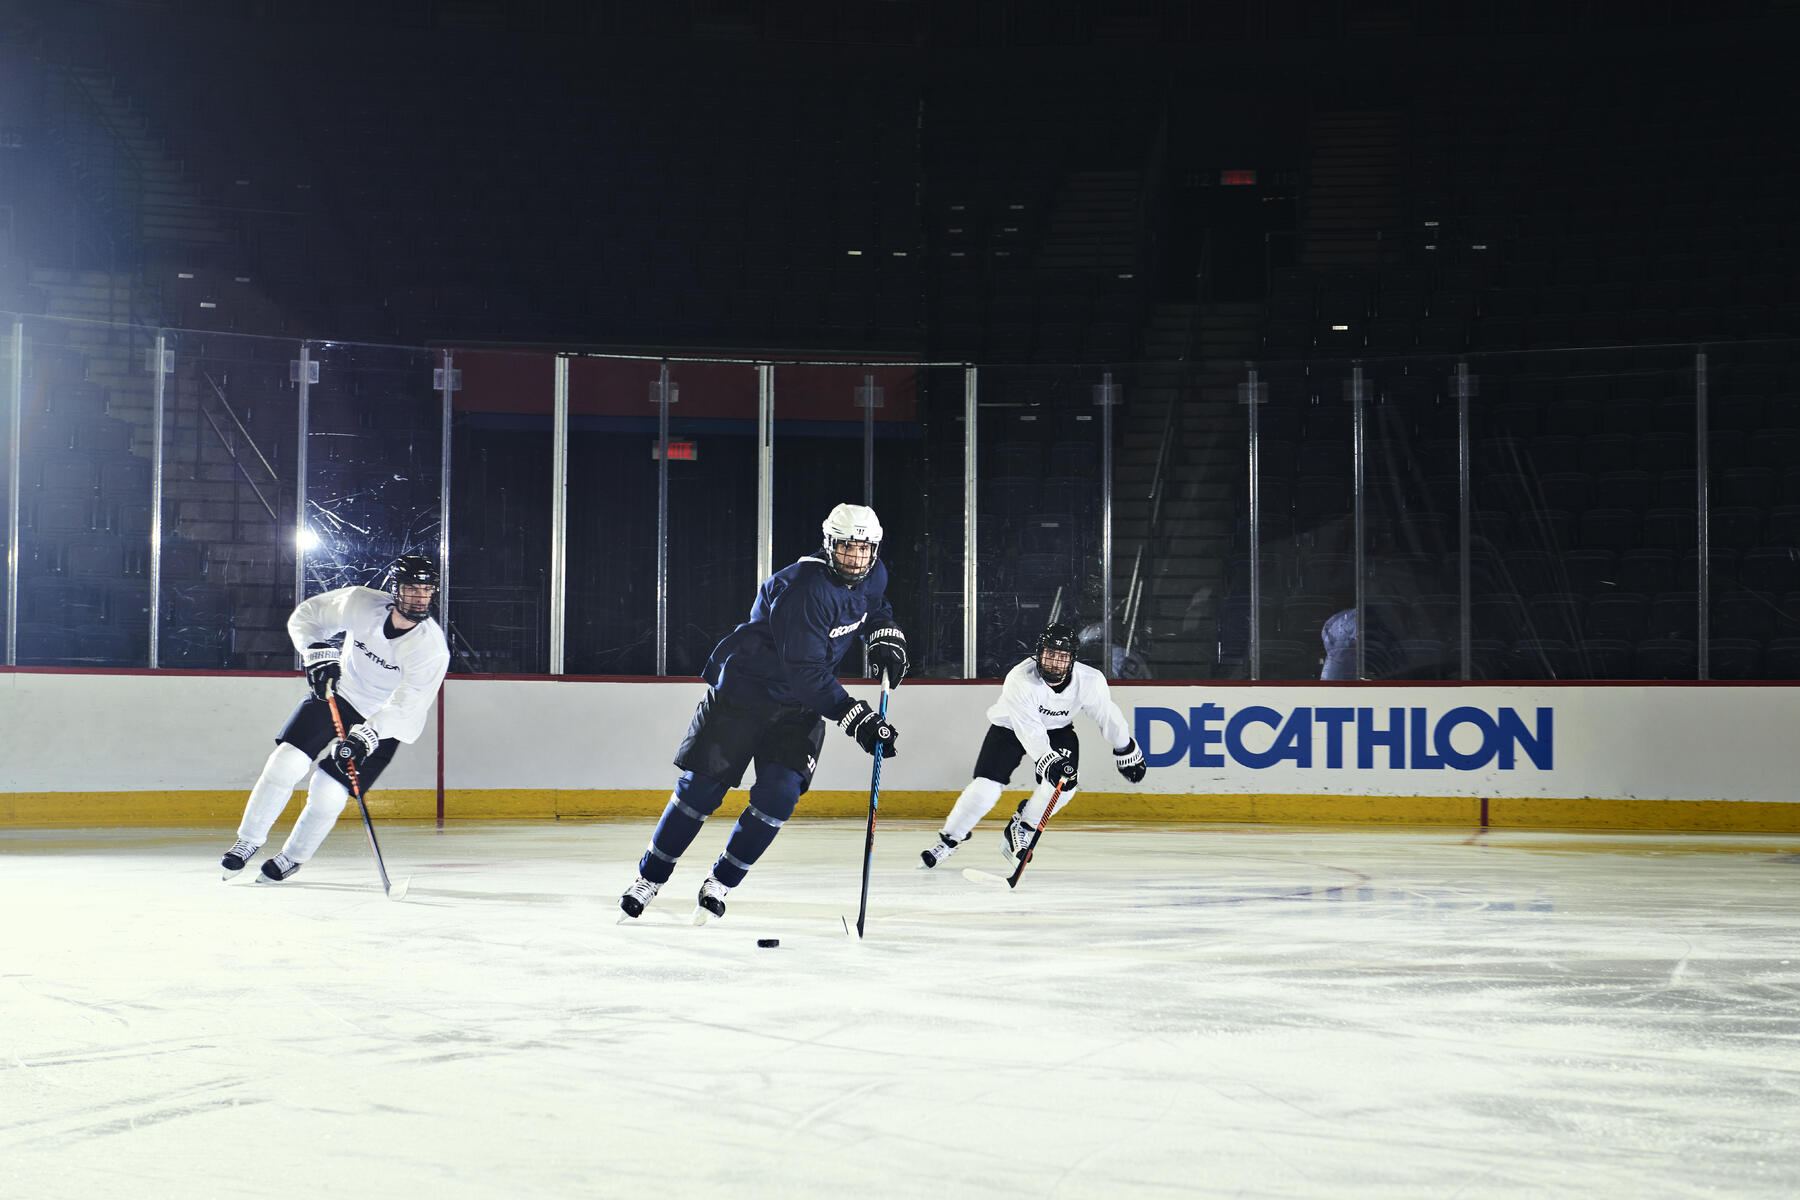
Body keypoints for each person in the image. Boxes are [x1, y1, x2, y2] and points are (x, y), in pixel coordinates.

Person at [619, 503, 907, 923]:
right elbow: (806, 670)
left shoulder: (874, 574)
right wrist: (855, 716)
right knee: (700, 790)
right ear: (829, 545)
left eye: (864, 549)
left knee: (779, 796)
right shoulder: (803, 588)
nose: (855, 559)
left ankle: (720, 882)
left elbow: (873, 606)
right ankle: (651, 878)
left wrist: (884, 634)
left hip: (798, 708)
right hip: (744, 695)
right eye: (846, 548)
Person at [219, 555, 450, 883]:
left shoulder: (431, 649)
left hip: (383, 721)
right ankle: (248, 841)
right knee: (285, 763)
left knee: (328, 790)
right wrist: (316, 651)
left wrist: (367, 735)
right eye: (411, 588)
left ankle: (292, 857)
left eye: (426, 590)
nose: (419, 596)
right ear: (395, 589)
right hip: (338, 695)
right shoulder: (360, 603)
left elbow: (407, 706)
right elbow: (308, 616)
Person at [919, 621, 1147, 870]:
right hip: (1010, 728)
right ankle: (949, 840)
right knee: (984, 789)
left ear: (1072, 659)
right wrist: (1047, 759)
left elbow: (1107, 714)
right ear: (1038, 654)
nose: (1054, 663)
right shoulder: (1020, 679)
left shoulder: (1090, 681)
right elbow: (1028, 729)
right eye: (1050, 655)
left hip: (1058, 729)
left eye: (1062, 657)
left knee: (1065, 786)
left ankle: (1023, 825)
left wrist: (1125, 748)